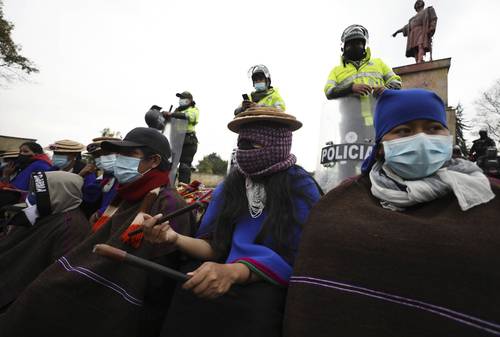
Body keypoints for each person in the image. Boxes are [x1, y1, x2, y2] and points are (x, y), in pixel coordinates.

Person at [284, 89, 499, 337]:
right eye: (404, 131)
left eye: (433, 128)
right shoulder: (337, 205)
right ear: (380, 147)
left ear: (448, 137)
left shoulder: (487, 198)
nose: (421, 139)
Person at [142, 106, 322, 337]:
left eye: (252, 145)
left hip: (269, 285)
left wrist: (236, 272)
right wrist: (173, 237)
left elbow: (300, 258)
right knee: (189, 282)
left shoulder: (300, 186)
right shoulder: (231, 185)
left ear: (278, 145)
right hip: (223, 274)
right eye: (241, 145)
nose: (244, 152)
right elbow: (216, 247)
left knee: (258, 303)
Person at [0, 127, 194, 337]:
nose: (120, 159)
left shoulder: (169, 202)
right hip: (101, 272)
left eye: (129, 155)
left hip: (128, 295)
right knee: (40, 292)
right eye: (120, 154)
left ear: (154, 161)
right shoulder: (126, 196)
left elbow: (160, 276)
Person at [0, 171, 90, 311]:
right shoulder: (45, 211)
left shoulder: (72, 227)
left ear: (59, 193)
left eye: (38, 193)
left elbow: (58, 274)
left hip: (20, 295)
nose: (31, 197)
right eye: (32, 191)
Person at [0, 142, 54, 208]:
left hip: (23, 200)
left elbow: (40, 190)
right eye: (20, 151)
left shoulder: (41, 165)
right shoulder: (24, 165)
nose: (22, 154)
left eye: (25, 151)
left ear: (36, 153)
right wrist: (6, 175)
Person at [163, 91, 199, 184]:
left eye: (183, 98)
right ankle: (168, 188)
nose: (180, 100)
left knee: (184, 166)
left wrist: (171, 114)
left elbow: (188, 117)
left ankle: (183, 190)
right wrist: (165, 117)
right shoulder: (176, 111)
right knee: (171, 167)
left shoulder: (194, 110)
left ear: (189, 100)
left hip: (188, 142)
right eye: (180, 98)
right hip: (176, 141)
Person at [83, 137, 120, 223]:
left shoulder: (128, 176)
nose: (101, 159)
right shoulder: (105, 177)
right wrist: (83, 175)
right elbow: (89, 197)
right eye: (97, 156)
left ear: (120, 153)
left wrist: (100, 213)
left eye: (106, 154)